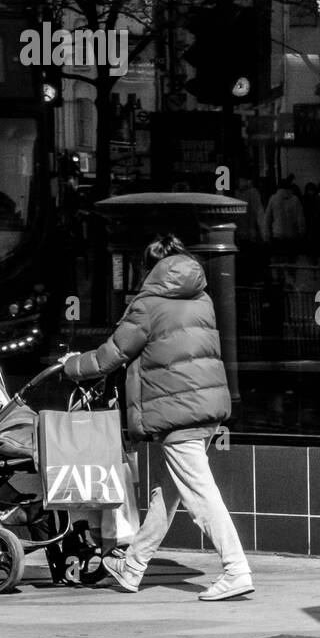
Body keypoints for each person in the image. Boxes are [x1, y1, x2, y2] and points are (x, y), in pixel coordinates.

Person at [61, 232, 253, 601]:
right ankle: (133, 565)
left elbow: (110, 356)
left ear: (148, 268)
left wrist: (70, 366)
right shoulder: (201, 297)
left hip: (177, 414)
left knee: (199, 493)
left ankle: (236, 568)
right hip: (205, 408)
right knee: (170, 493)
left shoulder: (147, 305)